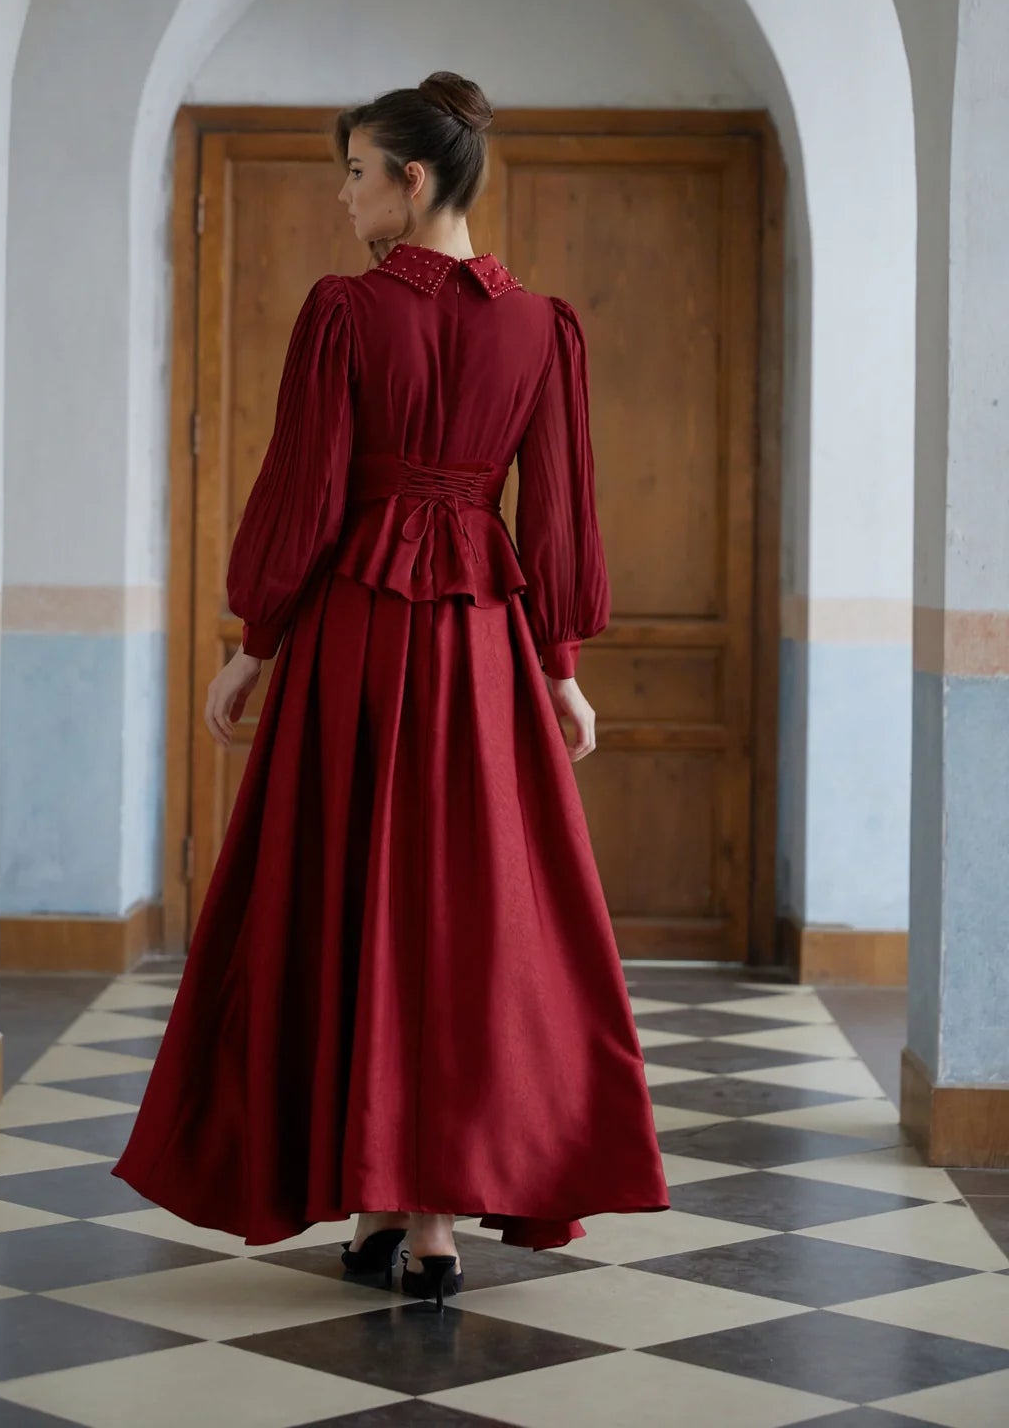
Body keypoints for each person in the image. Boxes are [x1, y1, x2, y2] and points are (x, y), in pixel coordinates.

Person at [111, 70, 669, 1312]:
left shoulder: (345, 314)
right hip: (481, 654)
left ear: (413, 180)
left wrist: (256, 641)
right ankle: (421, 1222)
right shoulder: (545, 328)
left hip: (358, 644)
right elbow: (562, 519)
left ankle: (380, 1200)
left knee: (347, 895)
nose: (345, 195)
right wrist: (560, 668)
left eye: (356, 171)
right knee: (464, 917)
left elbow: (307, 493)